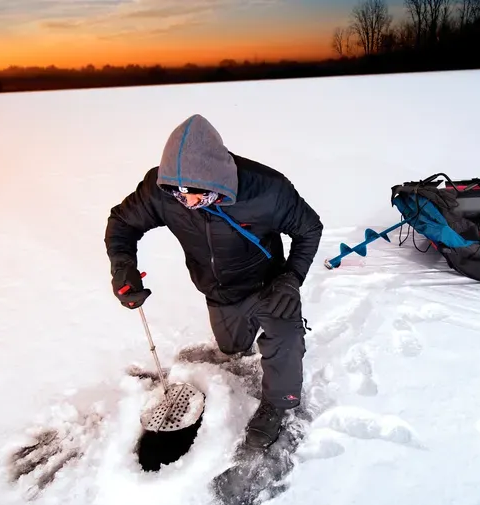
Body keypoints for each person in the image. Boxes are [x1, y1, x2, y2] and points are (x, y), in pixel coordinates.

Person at [104, 114, 324, 449]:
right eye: (178, 194)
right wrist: (122, 266)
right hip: (219, 291)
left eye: (195, 194)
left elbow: (309, 228)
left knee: (285, 335)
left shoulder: (267, 190)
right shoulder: (161, 191)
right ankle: (240, 337)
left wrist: (291, 278)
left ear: (219, 179)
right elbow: (122, 222)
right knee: (232, 348)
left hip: (269, 283)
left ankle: (280, 403)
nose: (188, 202)